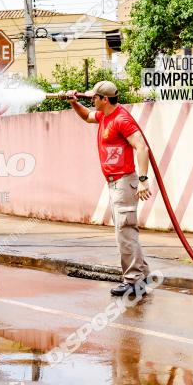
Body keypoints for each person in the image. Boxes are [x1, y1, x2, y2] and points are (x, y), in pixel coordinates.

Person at [65, 81, 152, 297]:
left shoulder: (121, 119)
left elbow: (141, 146)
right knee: (126, 232)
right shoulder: (104, 115)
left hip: (124, 181)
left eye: (95, 97)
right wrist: (73, 103)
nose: (92, 100)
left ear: (105, 99)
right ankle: (143, 276)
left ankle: (133, 281)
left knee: (125, 233)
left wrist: (143, 180)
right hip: (115, 182)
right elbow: (87, 117)